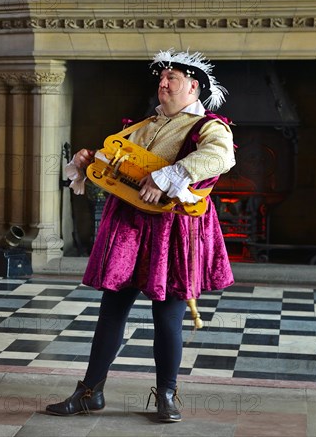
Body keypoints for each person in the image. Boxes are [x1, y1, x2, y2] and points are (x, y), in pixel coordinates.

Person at [46, 49, 236, 422]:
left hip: (172, 229)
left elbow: (220, 157)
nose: (162, 84)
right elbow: (122, 167)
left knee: (168, 315)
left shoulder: (209, 127)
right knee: (112, 311)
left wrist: (166, 177)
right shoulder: (142, 125)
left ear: (194, 87)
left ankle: (166, 394)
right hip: (130, 226)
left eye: (172, 80)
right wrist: (90, 162)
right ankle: (90, 391)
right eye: (161, 79)